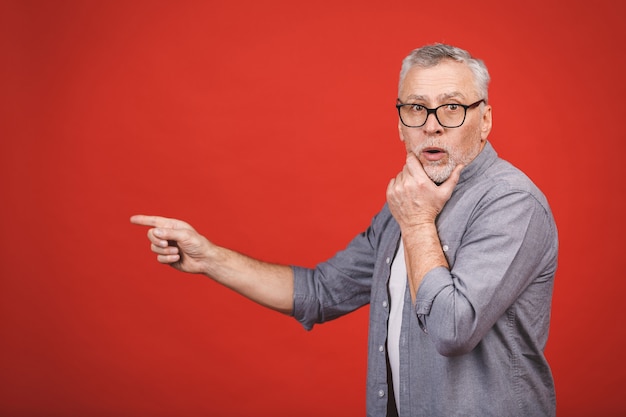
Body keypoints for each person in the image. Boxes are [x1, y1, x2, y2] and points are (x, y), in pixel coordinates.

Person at [131, 43, 558, 417]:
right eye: (415, 108)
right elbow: (319, 293)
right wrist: (209, 257)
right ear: (400, 124)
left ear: (484, 121)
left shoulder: (510, 203)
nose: (431, 124)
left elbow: (452, 329)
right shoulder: (406, 206)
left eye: (451, 107)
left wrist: (415, 222)